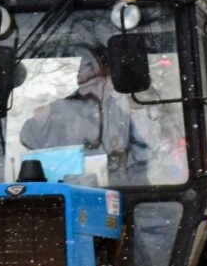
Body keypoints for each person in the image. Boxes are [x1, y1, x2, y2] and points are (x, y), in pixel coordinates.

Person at [18, 52, 156, 183]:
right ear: (79, 79)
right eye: (86, 73)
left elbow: (139, 156)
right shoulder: (61, 108)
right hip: (70, 190)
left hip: (113, 190)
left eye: (97, 74)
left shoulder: (119, 115)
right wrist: (39, 121)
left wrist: (139, 190)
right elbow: (28, 138)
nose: (90, 79)